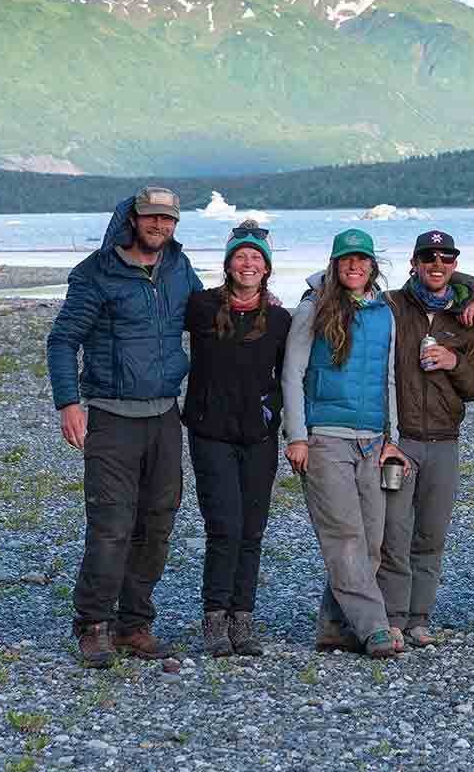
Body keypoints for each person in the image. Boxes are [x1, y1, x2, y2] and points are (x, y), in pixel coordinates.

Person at [46, 186, 202, 668]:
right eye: (151, 218)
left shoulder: (179, 268)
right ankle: (93, 625)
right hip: (112, 417)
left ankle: (134, 625)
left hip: (163, 417)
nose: (159, 226)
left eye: (168, 220)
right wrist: (69, 404)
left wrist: (261, 305)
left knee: (156, 527)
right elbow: (62, 340)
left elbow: (207, 320)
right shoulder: (97, 272)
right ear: (133, 219)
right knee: (111, 527)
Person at [281, 228, 409, 658]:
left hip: (372, 441)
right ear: (335, 265)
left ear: (372, 265)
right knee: (345, 537)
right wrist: (297, 436)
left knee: (371, 539)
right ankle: (375, 628)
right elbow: (292, 375)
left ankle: (335, 627)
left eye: (362, 259)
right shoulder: (312, 309)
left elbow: (389, 378)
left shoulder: (384, 313)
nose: (354, 266)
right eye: (346, 260)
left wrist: (393, 438)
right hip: (325, 439)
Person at [182, 221, 291, 656]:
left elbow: (290, 373)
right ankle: (214, 619)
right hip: (210, 431)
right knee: (223, 525)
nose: (249, 264)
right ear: (228, 264)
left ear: (267, 268)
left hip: (259, 434)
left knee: (253, 528)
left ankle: (242, 619)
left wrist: (276, 414)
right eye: (241, 256)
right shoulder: (201, 306)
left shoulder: (280, 318)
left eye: (257, 258)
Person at [375, 230, 474, 648]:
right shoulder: (391, 307)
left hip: (445, 440)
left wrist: (454, 361)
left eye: (446, 257)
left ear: (455, 264)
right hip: (400, 441)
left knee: (431, 536)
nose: (437, 264)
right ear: (414, 262)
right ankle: (391, 619)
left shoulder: (467, 318)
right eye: (428, 256)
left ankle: (419, 619)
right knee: (394, 535)